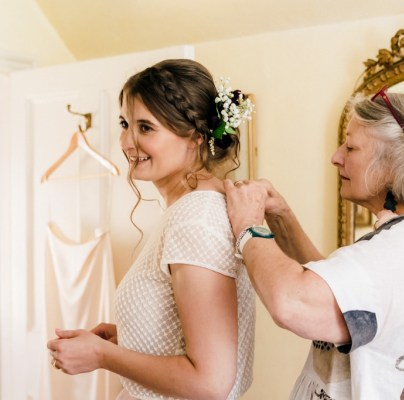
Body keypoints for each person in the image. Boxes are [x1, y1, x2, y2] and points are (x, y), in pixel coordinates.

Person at [224, 88, 404, 399]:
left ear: (395, 163)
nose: (336, 157)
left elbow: (293, 302)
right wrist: (283, 219)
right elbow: (345, 302)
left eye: (350, 147)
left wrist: (248, 227)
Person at [47, 59, 256, 400]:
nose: (128, 142)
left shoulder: (195, 218)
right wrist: (128, 337)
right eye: (125, 123)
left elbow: (210, 382)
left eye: (145, 128)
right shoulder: (192, 210)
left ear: (196, 136)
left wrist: (102, 355)